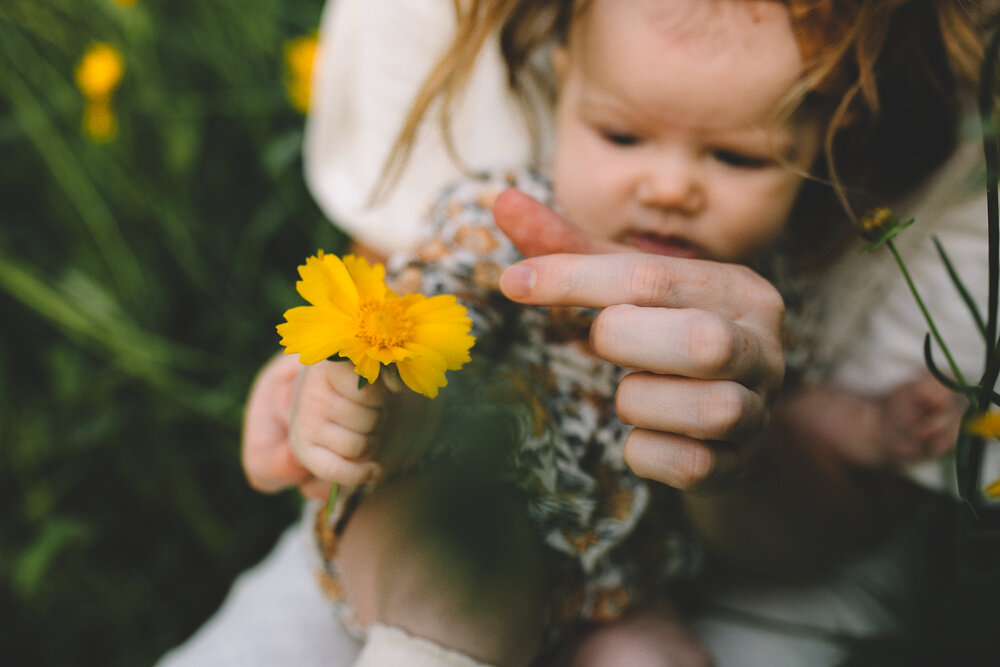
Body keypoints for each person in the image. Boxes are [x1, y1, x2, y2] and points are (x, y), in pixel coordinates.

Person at [159, 0, 997, 665]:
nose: (669, 186)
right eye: (621, 135)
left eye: (737, 159)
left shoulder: (777, 293)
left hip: (622, 591)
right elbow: (414, 312)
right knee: (467, 596)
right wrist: (349, 384)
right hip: (460, 517)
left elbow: (801, 407)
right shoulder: (503, 222)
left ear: (822, 147)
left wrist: (875, 426)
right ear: (562, 89)